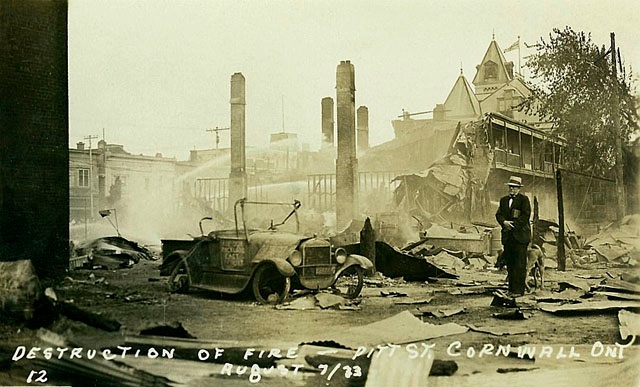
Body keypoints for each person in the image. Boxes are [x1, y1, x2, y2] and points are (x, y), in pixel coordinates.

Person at [495, 175, 531, 296]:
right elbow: (499, 215)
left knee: (520, 264)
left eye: (515, 188)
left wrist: (513, 224)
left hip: (520, 237)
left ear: (519, 189)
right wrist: (504, 222)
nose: (512, 189)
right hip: (508, 237)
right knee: (510, 264)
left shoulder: (524, 200)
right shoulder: (503, 200)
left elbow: (525, 216)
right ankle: (511, 289)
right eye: (510, 187)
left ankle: (519, 291)